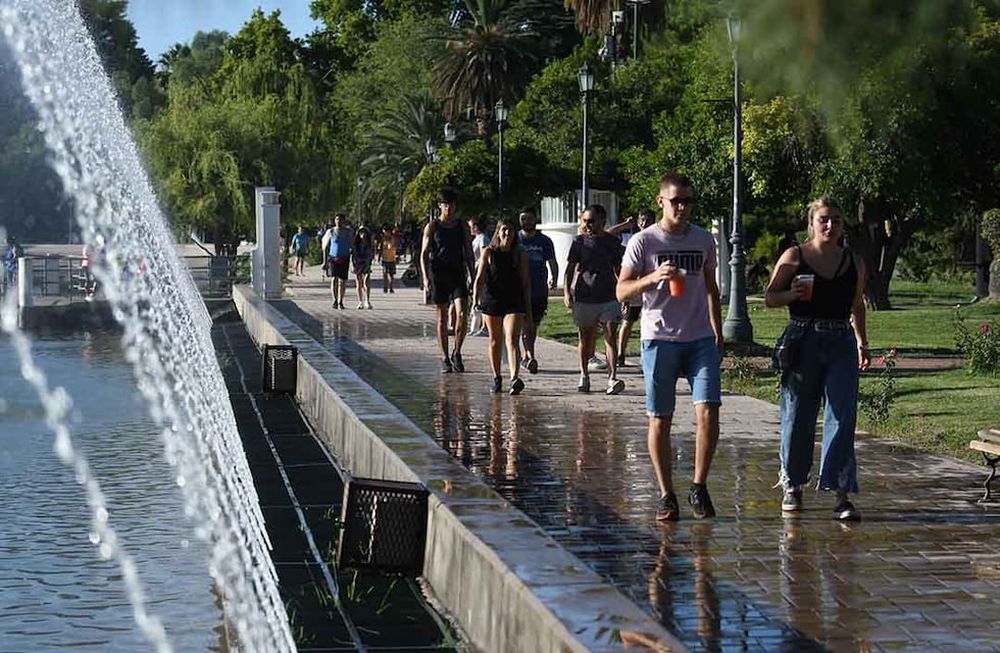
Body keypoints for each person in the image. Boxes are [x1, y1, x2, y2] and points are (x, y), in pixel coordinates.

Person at [616, 173, 723, 521]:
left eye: (688, 201)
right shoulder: (644, 242)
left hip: (700, 339)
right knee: (660, 419)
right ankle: (666, 494)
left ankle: (699, 486)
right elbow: (621, 291)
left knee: (708, 411)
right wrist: (651, 278)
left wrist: (718, 333)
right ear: (660, 201)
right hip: (659, 339)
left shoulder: (704, 239)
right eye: (676, 200)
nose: (682, 206)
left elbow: (710, 289)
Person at [764, 197, 869, 521]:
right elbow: (770, 297)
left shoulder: (853, 261)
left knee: (842, 415)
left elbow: (857, 305)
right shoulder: (795, 256)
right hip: (803, 338)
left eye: (836, 220)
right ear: (811, 223)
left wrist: (862, 342)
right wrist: (791, 295)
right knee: (798, 415)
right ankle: (793, 485)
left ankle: (841, 493)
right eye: (823, 219)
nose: (830, 226)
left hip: (840, 340)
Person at [564, 204, 626, 395]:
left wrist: (623, 293)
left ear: (602, 221)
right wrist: (567, 292)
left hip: (608, 295)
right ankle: (584, 375)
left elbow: (619, 270)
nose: (588, 224)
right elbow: (570, 269)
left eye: (591, 221)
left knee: (610, 336)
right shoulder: (579, 242)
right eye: (585, 221)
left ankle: (612, 377)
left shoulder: (612, 242)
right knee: (586, 337)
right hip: (585, 295)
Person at [473, 217, 532, 395]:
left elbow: (525, 283)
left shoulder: (520, 254)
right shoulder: (489, 253)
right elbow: (480, 278)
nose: (507, 233)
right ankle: (497, 377)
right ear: (498, 232)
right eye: (504, 230)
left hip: (514, 301)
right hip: (492, 300)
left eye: (511, 230)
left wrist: (528, 308)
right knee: (494, 340)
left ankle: (514, 378)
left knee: (512, 338)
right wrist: (475, 300)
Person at [421, 187, 475, 373]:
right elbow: (424, 254)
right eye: (445, 205)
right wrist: (426, 277)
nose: (449, 209)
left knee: (462, 314)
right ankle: (444, 357)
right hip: (439, 274)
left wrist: (473, 276)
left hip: (458, 273)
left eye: (452, 205)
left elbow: (469, 253)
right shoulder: (432, 226)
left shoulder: (462, 226)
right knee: (442, 318)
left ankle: (457, 352)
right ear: (440, 206)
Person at [517, 208, 558, 373]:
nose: (526, 222)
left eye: (529, 218)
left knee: (533, 324)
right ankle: (529, 355)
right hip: (519, 288)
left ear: (535, 220)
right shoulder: (516, 239)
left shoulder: (544, 241)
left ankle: (527, 355)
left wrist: (554, 279)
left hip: (539, 288)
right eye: (523, 219)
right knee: (525, 322)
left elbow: (552, 262)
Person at [617, 209, 657, 367]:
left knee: (648, 322)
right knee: (627, 322)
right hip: (634, 288)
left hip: (651, 288)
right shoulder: (632, 240)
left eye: (647, 220)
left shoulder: (657, 239)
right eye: (642, 220)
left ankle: (646, 357)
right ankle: (621, 353)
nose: (644, 223)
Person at [467, 215, 490, 337]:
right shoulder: (476, 238)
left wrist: (479, 267)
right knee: (477, 298)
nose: (469, 229)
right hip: (474, 270)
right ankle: (476, 326)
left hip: (480, 271)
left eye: (471, 226)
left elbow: (483, 255)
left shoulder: (482, 238)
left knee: (482, 298)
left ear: (476, 226)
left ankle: (485, 326)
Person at [352, 225, 375, 309]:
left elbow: (371, 254)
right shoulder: (356, 244)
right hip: (358, 264)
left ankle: (367, 301)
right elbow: (354, 254)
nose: (363, 234)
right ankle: (360, 302)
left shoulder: (369, 243)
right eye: (361, 232)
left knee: (366, 283)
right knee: (359, 283)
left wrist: (369, 261)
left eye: (364, 232)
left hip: (366, 264)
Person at [379, 224, 399, 293]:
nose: (384, 233)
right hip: (385, 259)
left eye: (385, 231)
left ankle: (391, 287)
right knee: (385, 273)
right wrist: (379, 256)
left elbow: (396, 246)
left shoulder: (393, 238)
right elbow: (380, 248)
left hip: (392, 258)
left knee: (391, 274)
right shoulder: (382, 239)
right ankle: (385, 286)